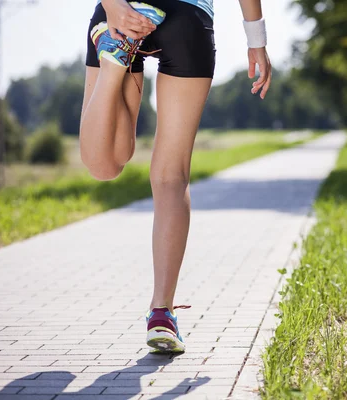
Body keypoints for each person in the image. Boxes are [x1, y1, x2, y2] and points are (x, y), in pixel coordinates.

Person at [80, 0, 272, 353]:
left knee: (105, 164)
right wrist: (255, 39)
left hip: (121, 10)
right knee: (170, 177)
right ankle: (161, 313)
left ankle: (114, 62)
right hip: (188, 14)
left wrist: (112, 6)